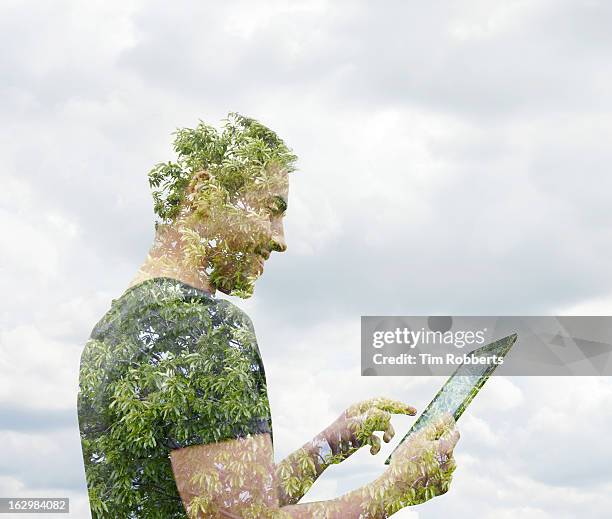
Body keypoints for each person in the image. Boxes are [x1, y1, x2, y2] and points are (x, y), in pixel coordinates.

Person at [77, 113, 459, 518]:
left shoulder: (113, 329)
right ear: (204, 194)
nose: (280, 240)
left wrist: (328, 445)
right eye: (271, 210)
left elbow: (227, 505)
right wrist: (394, 490)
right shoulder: (203, 325)